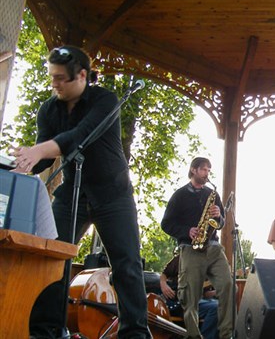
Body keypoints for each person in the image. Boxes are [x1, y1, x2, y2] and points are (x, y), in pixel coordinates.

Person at [10, 45, 150, 338]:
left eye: (61, 78)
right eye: (52, 77)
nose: (54, 84)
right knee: (51, 259)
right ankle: (45, 330)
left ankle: (134, 333)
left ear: (82, 75)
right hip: (72, 192)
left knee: (126, 264)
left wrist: (37, 151)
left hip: (113, 194)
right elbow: (45, 158)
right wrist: (20, 163)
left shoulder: (105, 100)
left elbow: (79, 136)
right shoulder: (49, 109)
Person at [161, 157, 233, 339]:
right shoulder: (179, 195)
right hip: (191, 248)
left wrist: (219, 216)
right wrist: (187, 231)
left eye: (209, 170)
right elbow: (166, 224)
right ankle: (194, 336)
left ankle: (227, 334)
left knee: (228, 285)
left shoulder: (213, 195)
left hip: (214, 248)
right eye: (203, 169)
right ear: (193, 170)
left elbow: (221, 223)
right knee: (190, 297)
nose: (207, 173)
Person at [159, 253, 219, 339]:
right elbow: (164, 274)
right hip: (179, 303)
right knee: (216, 307)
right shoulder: (182, 257)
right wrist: (163, 285)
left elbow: (205, 294)